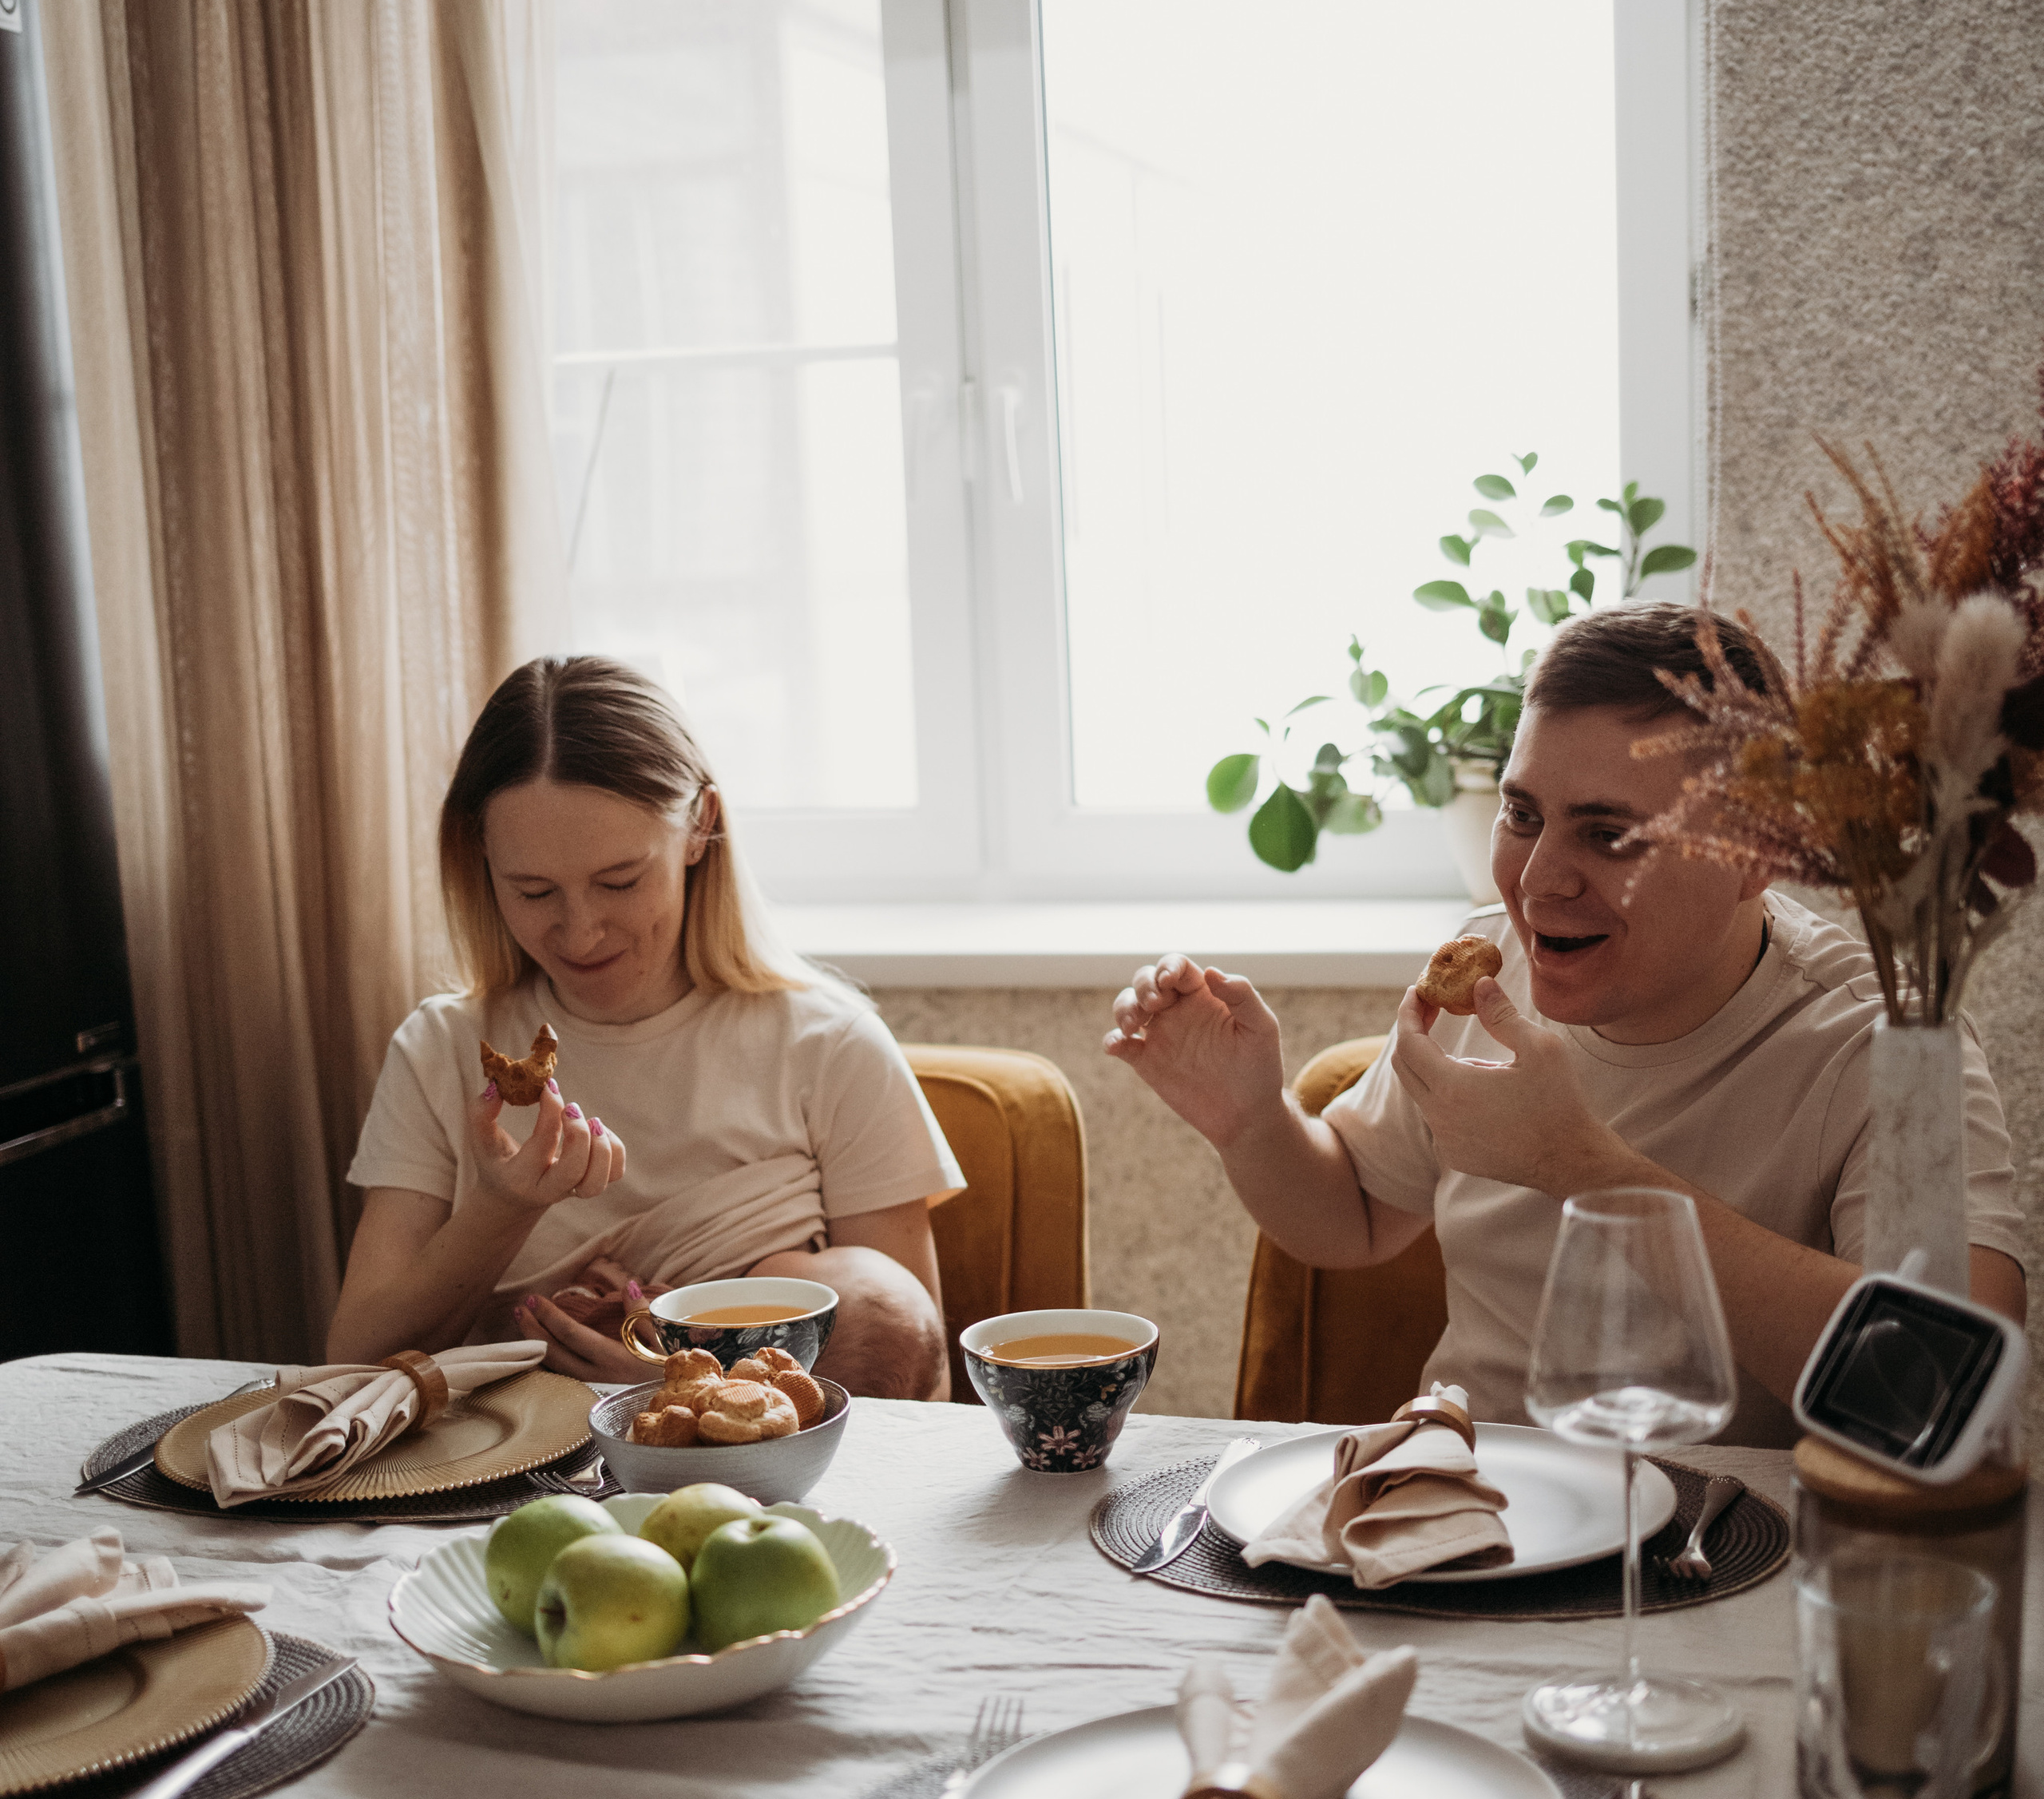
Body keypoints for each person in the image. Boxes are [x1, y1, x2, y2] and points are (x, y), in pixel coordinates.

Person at [1107, 604, 2026, 1448]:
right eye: (1521, 813)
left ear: (1757, 853)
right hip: (1472, 1512)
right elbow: (1349, 1214)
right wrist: (1250, 1120)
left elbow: (1941, 1398)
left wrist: (1578, 1164)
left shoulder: (1885, 1043)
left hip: (1725, 1555)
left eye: (1608, 833)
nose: (1538, 881)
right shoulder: (1483, 967)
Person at [328, 657, 962, 1394]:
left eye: (620, 882)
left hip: (755, 1486)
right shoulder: (438, 1051)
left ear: (701, 828)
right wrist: (499, 1211)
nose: (580, 931)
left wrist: (689, 1388)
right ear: (481, 859)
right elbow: (352, 1364)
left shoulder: (830, 1048)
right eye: (532, 891)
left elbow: (914, 1370)